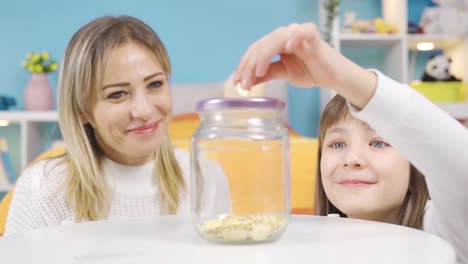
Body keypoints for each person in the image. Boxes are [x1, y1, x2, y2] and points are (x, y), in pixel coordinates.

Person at [233, 23, 468, 263]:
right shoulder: (314, 243)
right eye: (337, 144)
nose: (352, 159)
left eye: (377, 143)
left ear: (415, 164)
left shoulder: (443, 232)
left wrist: (344, 77)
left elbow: (461, 163)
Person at [5, 16, 193, 234]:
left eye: (155, 84)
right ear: (83, 110)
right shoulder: (44, 187)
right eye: (117, 94)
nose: (144, 110)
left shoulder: (201, 176)